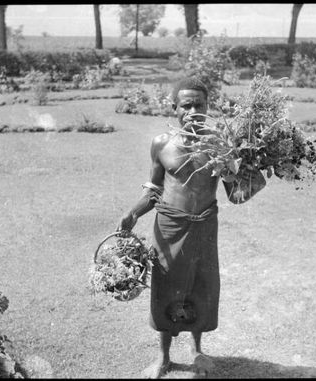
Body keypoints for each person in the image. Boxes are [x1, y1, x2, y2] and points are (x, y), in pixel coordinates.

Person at [117, 77, 266, 378]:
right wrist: (132, 215)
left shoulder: (221, 147)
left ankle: (197, 351)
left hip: (205, 227)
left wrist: (257, 179)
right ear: (175, 108)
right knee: (165, 287)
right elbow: (154, 189)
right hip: (169, 226)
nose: (194, 111)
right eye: (187, 105)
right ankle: (163, 357)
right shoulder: (161, 144)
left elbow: (234, 195)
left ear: (208, 106)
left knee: (202, 285)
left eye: (200, 104)